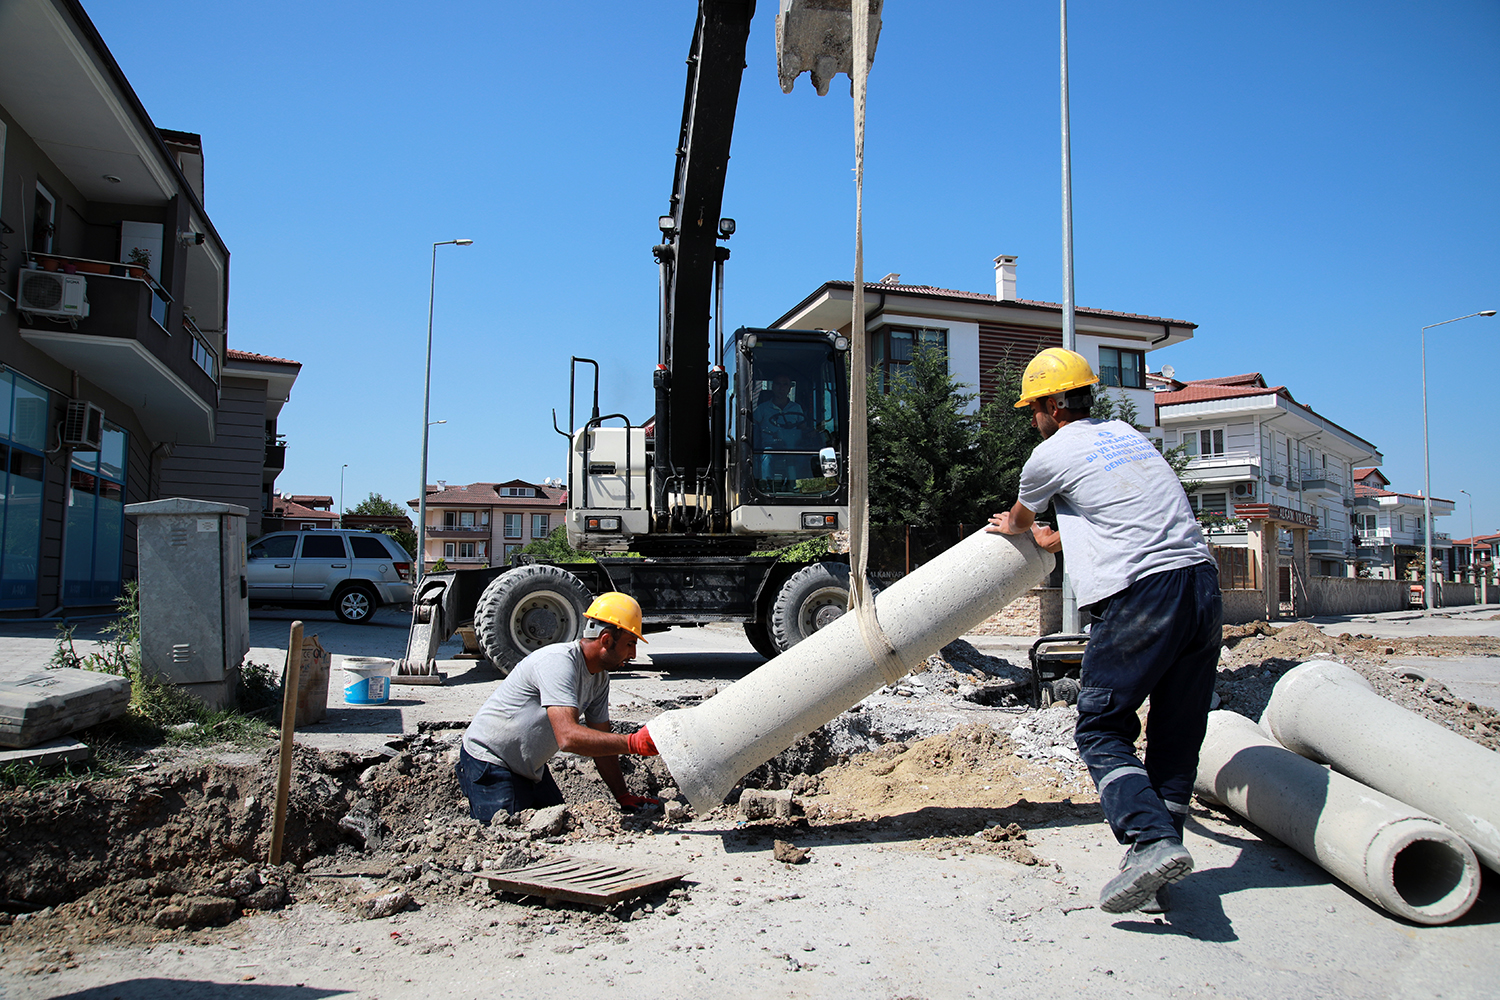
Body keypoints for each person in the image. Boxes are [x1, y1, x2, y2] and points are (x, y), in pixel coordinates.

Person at [987, 348, 1221, 914]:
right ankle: (1164, 858)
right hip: (1201, 586)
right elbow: (1127, 514)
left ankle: (1148, 841)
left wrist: (1020, 529)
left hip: (1144, 595)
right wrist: (1063, 538)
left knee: (1099, 726)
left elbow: (1019, 520)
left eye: (1033, 407)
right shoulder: (1129, 437)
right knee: (1174, 734)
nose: (1032, 417)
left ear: (1051, 402)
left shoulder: (1049, 454)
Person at [456, 592, 661, 822]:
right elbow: (568, 737)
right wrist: (633, 743)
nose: (633, 654)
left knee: (559, 823)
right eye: (630, 643)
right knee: (509, 833)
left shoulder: (599, 679)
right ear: (605, 640)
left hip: (530, 767)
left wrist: (622, 795)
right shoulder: (559, 663)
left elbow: (602, 742)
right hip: (490, 760)